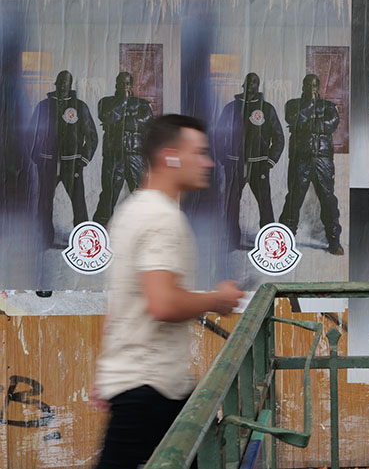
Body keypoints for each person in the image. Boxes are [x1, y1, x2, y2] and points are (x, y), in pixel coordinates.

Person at [92, 114, 244, 469]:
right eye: (200, 153)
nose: (208, 162)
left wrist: (106, 370)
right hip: (148, 387)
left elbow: (122, 301)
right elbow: (161, 303)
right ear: (170, 157)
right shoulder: (162, 218)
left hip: (150, 383)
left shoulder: (132, 210)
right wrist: (218, 299)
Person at [215, 73, 284, 249]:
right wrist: (224, 157)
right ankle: (232, 240)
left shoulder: (266, 109)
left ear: (258, 86)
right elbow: (218, 134)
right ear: (243, 85)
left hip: (259, 163)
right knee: (231, 204)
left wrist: (270, 160)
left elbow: (279, 137)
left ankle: (269, 245)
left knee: (265, 205)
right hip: (235, 163)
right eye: (249, 82)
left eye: (255, 82)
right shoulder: (231, 108)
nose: (251, 85)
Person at [30, 70, 98, 246]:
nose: (62, 86)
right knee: (44, 202)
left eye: (66, 83)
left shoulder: (80, 106)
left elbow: (92, 136)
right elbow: (31, 132)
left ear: (70, 85)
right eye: (60, 82)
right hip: (48, 162)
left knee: (79, 204)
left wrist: (83, 159)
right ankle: (44, 239)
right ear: (55, 83)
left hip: (72, 164)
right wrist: (36, 156)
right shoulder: (43, 106)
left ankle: (83, 242)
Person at [279, 74, 344, 255]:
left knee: (328, 199)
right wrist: (309, 106)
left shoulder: (329, 106)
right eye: (308, 85)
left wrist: (309, 124)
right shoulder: (293, 104)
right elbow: (294, 119)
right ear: (303, 86)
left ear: (319, 86)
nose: (311, 89)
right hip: (301, 158)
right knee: (293, 199)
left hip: (323, 158)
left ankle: (334, 241)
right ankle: (284, 240)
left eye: (314, 86)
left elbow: (332, 123)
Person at [92, 72, 154, 226]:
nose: (124, 86)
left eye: (127, 83)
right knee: (108, 195)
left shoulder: (142, 104)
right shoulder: (106, 102)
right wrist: (123, 102)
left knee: (141, 194)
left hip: (135, 155)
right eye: (121, 83)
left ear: (131, 86)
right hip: (113, 156)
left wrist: (120, 123)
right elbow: (108, 117)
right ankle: (99, 232)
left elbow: (145, 124)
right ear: (116, 84)